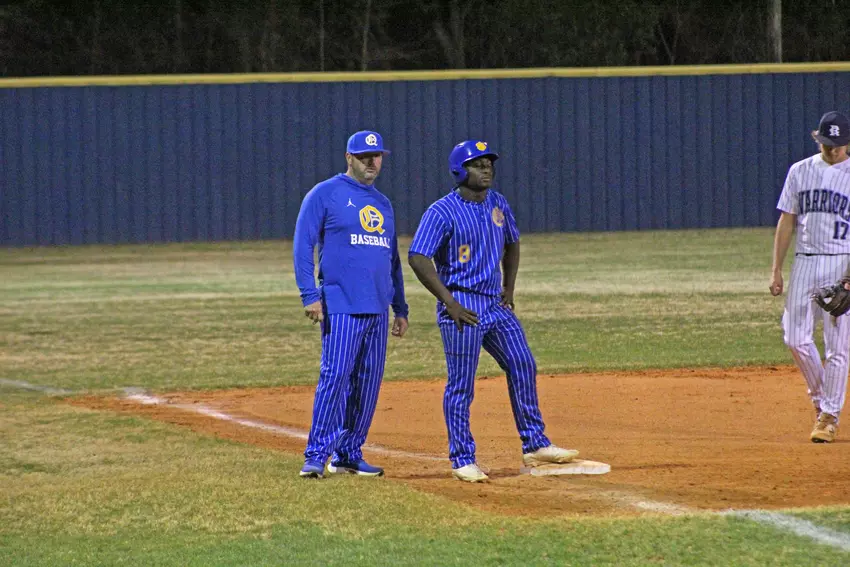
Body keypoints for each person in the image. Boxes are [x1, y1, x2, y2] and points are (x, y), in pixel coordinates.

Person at [407, 140, 578, 482]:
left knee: (522, 363)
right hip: (462, 305)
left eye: (489, 163)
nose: (486, 168)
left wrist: (509, 287)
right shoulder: (441, 211)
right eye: (477, 164)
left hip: (494, 304)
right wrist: (449, 302)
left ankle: (535, 444)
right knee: (462, 385)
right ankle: (462, 459)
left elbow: (512, 242)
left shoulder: (498, 203)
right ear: (459, 171)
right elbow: (418, 257)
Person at [293, 130, 409, 478]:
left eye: (377, 156)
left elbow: (392, 260)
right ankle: (316, 455)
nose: (372, 162)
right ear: (349, 158)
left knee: (368, 384)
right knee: (336, 377)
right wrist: (310, 294)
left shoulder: (383, 203)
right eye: (364, 156)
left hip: (378, 307)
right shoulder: (325, 193)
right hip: (341, 303)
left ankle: (348, 453)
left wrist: (400, 307)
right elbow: (303, 244)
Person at [770, 111, 850, 443]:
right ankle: (821, 400)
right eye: (827, 143)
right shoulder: (799, 171)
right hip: (805, 260)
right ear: (818, 139)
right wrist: (776, 268)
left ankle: (829, 416)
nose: (832, 150)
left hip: (841, 262)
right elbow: (787, 221)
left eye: (838, 144)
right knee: (794, 337)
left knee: (838, 345)